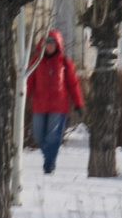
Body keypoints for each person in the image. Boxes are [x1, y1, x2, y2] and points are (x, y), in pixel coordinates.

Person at [24, 30, 83, 176]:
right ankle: (49, 157)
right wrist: (21, 100)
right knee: (37, 134)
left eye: (52, 44)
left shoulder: (64, 62)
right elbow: (28, 83)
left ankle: (49, 164)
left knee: (53, 137)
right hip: (39, 104)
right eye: (47, 44)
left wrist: (78, 103)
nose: (50, 47)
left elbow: (73, 84)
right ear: (42, 46)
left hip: (58, 106)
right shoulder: (36, 62)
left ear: (58, 46)